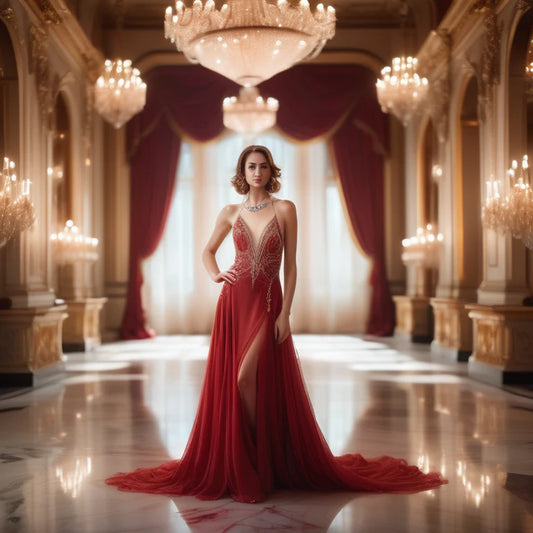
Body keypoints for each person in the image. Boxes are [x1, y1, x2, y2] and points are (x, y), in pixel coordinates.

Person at [106, 145, 446, 503]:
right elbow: (207, 251)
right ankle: (249, 454)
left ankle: (260, 453)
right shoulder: (229, 212)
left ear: (271, 171)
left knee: (244, 378)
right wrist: (216, 274)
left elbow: (292, 266)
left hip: (268, 303)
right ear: (242, 171)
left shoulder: (285, 209)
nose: (257, 173)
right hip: (233, 303)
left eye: (263, 167)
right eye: (251, 167)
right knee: (237, 379)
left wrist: (286, 314)